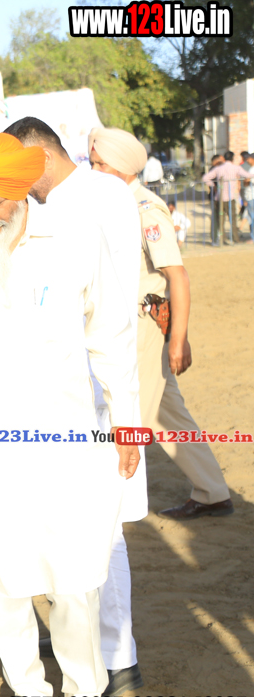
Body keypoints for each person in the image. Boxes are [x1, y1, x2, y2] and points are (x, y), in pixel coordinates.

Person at [0, 132, 140, 697]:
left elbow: (113, 335)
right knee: (3, 580)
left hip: (66, 446)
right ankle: (27, 691)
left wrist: (127, 421)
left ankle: (85, 691)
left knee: (75, 579)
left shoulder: (73, 236)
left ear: (21, 192)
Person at [7, 117, 147, 694]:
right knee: (73, 531)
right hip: (65, 392)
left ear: (40, 157)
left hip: (95, 389)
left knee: (101, 533)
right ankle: (89, 643)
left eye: (20, 170)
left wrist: (122, 415)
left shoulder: (96, 198)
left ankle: (117, 657)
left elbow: (106, 311)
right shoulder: (71, 200)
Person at [90, 128, 234, 520]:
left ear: (123, 166)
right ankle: (212, 491)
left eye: (101, 164)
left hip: (144, 326)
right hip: (126, 325)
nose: (94, 171)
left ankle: (111, 511)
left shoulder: (145, 209)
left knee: (127, 415)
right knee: (166, 414)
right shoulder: (112, 203)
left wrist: (178, 340)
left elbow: (177, 276)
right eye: (93, 162)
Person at [202, 151, 252, 246]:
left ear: (224, 159)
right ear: (232, 159)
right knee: (232, 219)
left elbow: (205, 178)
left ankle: (222, 239)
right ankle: (235, 239)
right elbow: (247, 175)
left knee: (220, 220)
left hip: (219, 198)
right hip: (230, 197)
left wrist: (213, 186)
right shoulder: (236, 168)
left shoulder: (218, 168)